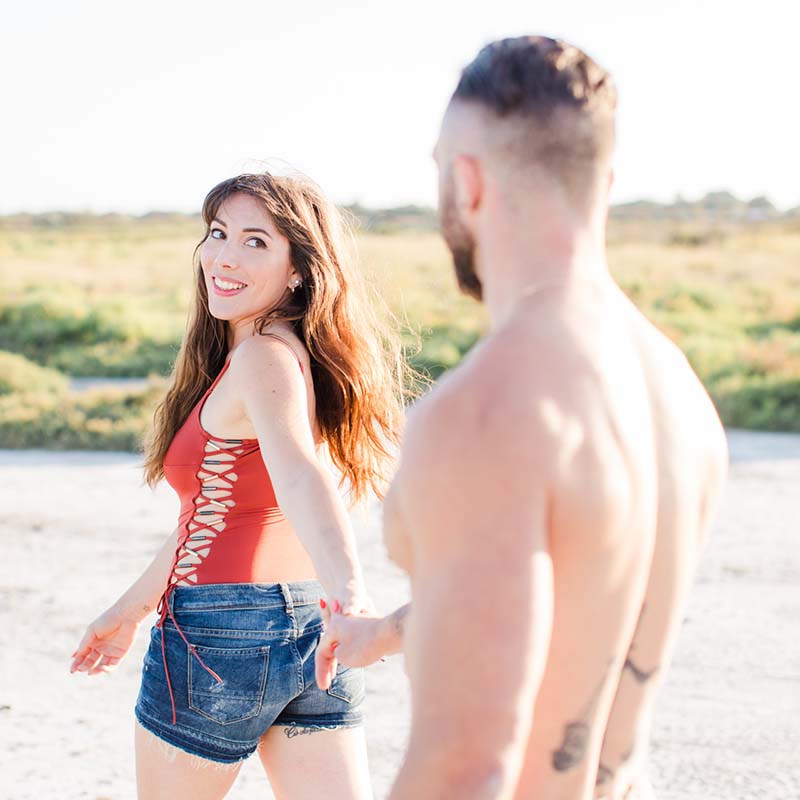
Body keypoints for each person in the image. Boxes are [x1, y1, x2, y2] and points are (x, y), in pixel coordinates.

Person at [315, 36, 728, 799]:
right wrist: (385, 634)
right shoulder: (676, 387)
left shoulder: (485, 413)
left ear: (466, 183)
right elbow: (575, 587)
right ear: (603, 178)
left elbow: (466, 769)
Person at [70, 171, 408, 800]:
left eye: (256, 242)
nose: (224, 256)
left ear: (299, 270)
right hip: (310, 623)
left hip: (219, 635)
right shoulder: (286, 354)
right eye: (218, 233)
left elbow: (304, 479)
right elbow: (215, 515)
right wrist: (128, 611)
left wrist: (354, 596)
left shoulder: (261, 359)